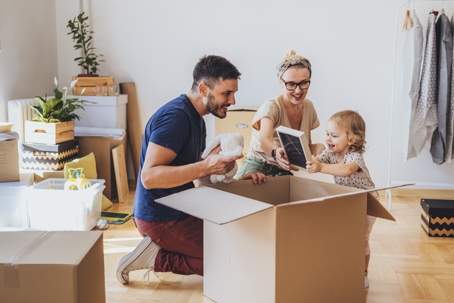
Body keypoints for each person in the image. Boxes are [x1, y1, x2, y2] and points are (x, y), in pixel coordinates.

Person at [116, 55, 267, 284]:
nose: (233, 100)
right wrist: (205, 165)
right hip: (159, 217)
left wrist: (236, 182)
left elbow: (199, 177)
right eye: (227, 93)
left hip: (180, 209)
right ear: (204, 88)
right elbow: (149, 177)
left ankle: (159, 249)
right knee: (233, 260)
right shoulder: (175, 118)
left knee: (239, 247)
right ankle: (156, 257)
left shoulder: (197, 117)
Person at [305, 110, 378, 289]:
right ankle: (345, 268)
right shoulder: (330, 154)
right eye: (327, 134)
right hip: (350, 201)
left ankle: (363, 273)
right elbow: (314, 160)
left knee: (361, 239)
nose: (329, 139)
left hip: (367, 201)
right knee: (345, 236)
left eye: (334, 135)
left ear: (351, 139)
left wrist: (321, 167)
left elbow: (346, 170)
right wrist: (310, 158)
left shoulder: (354, 156)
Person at [235, 50, 325, 178]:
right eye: (291, 84)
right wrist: (276, 152)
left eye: (304, 83)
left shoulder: (308, 107)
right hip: (258, 165)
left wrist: (317, 147)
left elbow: (303, 148)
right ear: (281, 82)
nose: (298, 90)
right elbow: (264, 141)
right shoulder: (272, 106)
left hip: (281, 171)